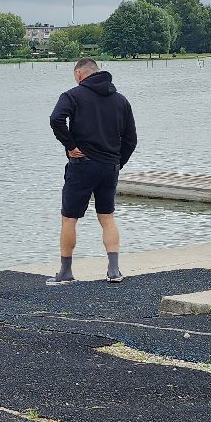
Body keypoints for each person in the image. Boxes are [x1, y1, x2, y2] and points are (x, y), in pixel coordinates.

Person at [47, 57, 138, 284]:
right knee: (107, 217)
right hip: (109, 167)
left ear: (79, 74)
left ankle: (66, 272)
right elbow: (131, 139)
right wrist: (117, 162)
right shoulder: (120, 100)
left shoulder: (72, 96)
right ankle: (114, 271)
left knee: (69, 218)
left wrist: (70, 146)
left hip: (82, 165)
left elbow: (56, 119)